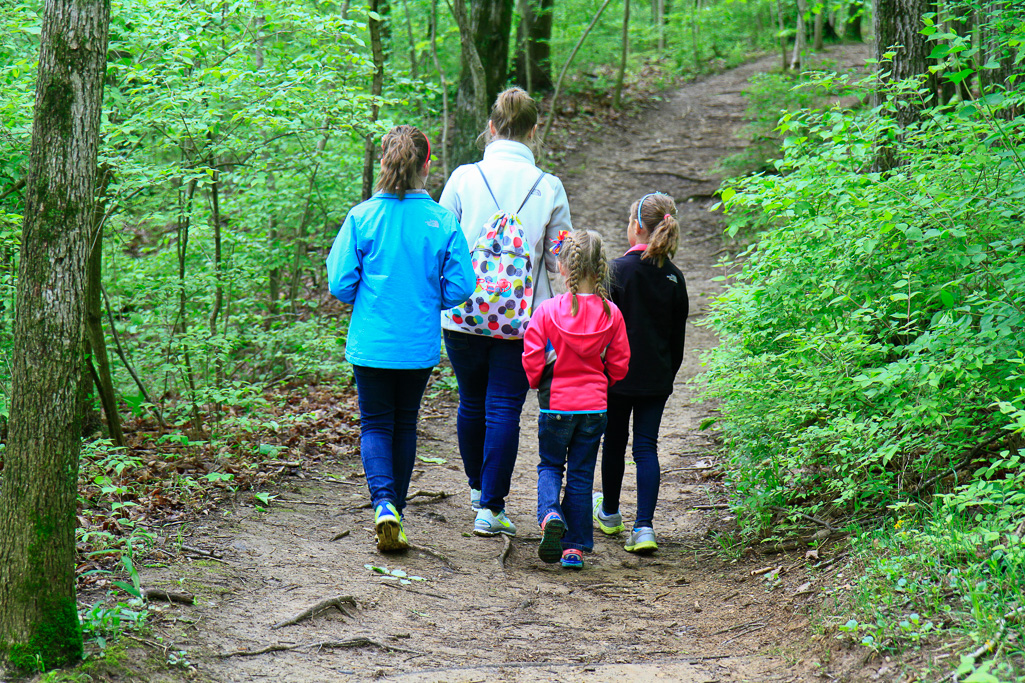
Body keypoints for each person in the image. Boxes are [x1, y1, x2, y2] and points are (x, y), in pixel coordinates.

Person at [326, 125, 475, 553]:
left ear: (383, 163)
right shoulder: (441, 220)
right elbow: (462, 286)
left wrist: (367, 295)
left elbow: (340, 283)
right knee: (404, 424)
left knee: (375, 422)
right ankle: (396, 512)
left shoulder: (363, 216)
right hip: (417, 343)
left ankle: (384, 505)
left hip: (371, 341)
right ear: (427, 165)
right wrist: (431, 297)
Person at [439, 87, 573, 537]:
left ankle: (478, 489)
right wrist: (566, 318)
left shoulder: (462, 178)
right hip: (523, 322)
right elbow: (561, 261)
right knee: (503, 409)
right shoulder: (548, 186)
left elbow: (441, 244)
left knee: (470, 401)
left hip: (462, 315)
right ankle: (490, 509)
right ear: (534, 132)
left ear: (491, 128)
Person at [522, 230, 630, 569]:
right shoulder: (611, 314)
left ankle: (550, 513)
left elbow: (532, 357)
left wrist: (538, 381)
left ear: (562, 267)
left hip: (556, 405)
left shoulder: (547, 310)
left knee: (550, 465)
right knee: (582, 476)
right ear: (600, 269)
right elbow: (620, 363)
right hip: (594, 406)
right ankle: (574, 548)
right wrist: (603, 383)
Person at [592, 192, 689, 555]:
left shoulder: (616, 270)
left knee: (614, 443)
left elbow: (602, 327)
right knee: (646, 446)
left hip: (616, 377)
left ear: (636, 226)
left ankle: (611, 513)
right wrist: (667, 374)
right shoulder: (675, 279)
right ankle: (644, 526)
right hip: (655, 378)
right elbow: (676, 338)